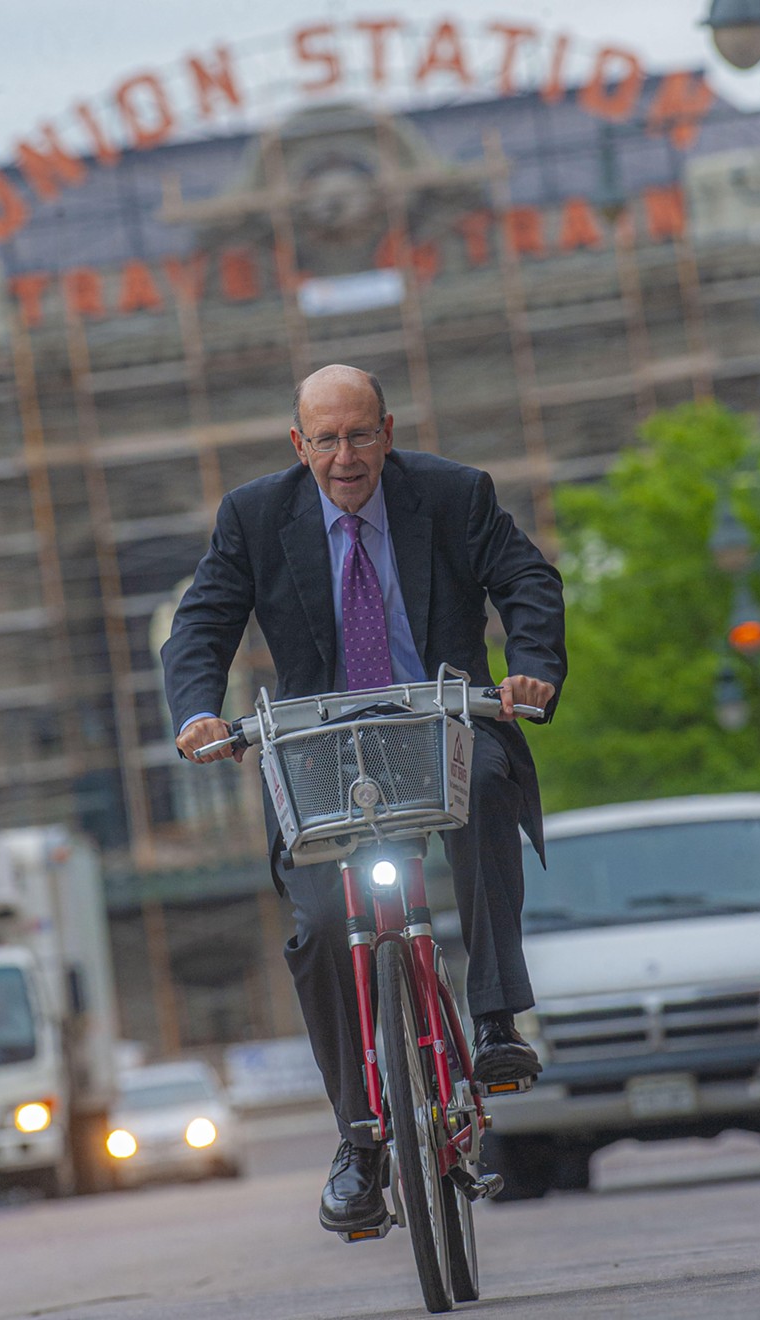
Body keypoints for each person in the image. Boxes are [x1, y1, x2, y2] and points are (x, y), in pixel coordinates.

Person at [162, 364, 566, 1234]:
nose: (346, 457)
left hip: (440, 721)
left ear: (388, 430)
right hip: (319, 751)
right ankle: (359, 1138)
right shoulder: (254, 517)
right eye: (327, 439)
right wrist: (199, 711)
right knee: (314, 930)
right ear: (298, 445)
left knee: (491, 786)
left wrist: (530, 665)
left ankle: (495, 1017)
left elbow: (527, 582)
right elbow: (201, 623)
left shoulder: (455, 496)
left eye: (361, 435)